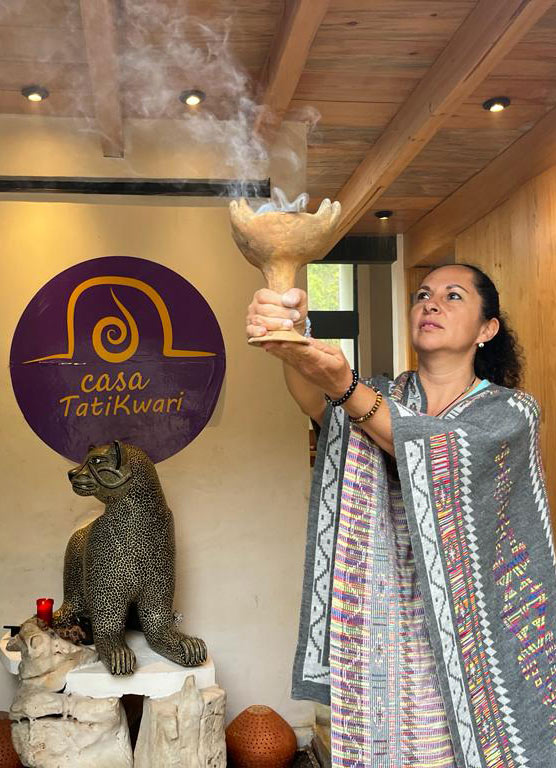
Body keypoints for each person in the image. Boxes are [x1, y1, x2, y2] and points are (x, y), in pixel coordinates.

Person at [246, 264, 556, 768]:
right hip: (380, 625)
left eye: (452, 296)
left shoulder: (509, 412)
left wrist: (345, 386)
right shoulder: (381, 395)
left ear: (487, 328)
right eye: (422, 294)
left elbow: (435, 448)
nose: (430, 303)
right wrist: (292, 334)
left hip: (469, 632)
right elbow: (312, 397)